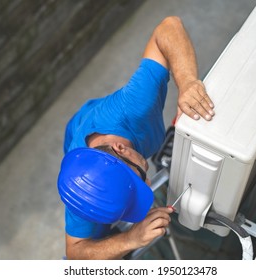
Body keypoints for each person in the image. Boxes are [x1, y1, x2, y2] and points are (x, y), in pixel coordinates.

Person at [57, 16, 215, 260]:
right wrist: (131, 238)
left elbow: (169, 26)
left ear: (120, 148)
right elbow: (75, 252)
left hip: (101, 119)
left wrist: (187, 83)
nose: (149, 184)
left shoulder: (135, 107)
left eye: (140, 178)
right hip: (77, 132)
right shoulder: (85, 188)